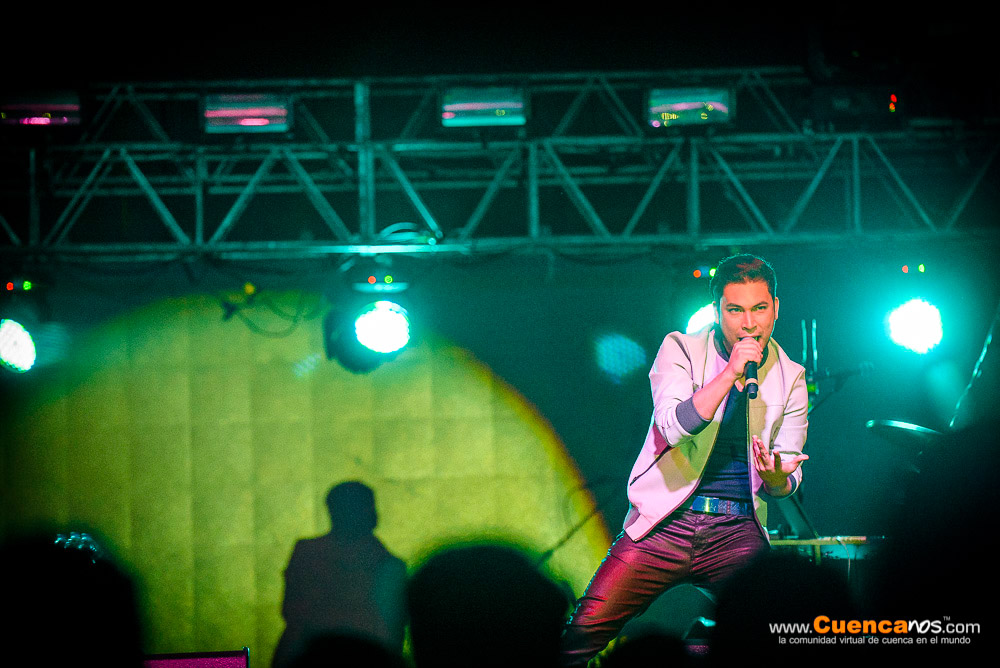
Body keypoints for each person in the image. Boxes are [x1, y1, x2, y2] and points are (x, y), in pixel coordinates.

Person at [560, 254, 809, 666]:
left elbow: (786, 478)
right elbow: (674, 427)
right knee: (581, 635)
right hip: (665, 524)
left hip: (736, 531)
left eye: (760, 308)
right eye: (736, 310)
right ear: (717, 311)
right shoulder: (680, 348)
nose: (749, 324)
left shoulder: (791, 376)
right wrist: (729, 374)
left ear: (776, 308)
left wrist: (777, 477)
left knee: (780, 632)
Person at [272, 482, 407, 668]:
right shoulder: (388, 564)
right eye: (366, 506)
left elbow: (292, 610)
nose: (373, 512)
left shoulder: (307, 553)